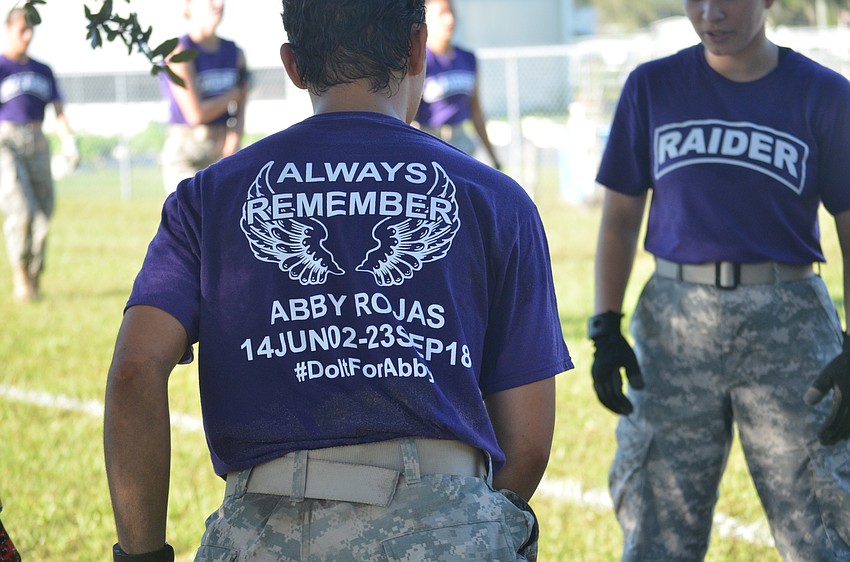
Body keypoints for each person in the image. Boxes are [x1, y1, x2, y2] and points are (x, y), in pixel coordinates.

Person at [104, 0, 572, 560]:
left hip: (262, 533)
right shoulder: (497, 200)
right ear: (418, 48)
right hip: (447, 527)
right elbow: (527, 443)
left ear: (293, 65)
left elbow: (134, 371)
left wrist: (141, 554)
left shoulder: (207, 197)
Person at [588, 0, 850, 560]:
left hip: (788, 319)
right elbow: (619, 222)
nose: (711, 14)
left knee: (822, 527)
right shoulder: (652, 87)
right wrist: (605, 325)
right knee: (657, 528)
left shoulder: (824, 93)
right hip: (676, 320)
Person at [0, 7, 77, 302]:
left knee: (44, 211)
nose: (28, 36)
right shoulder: (2, 67)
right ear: (8, 29)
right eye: (22, 30)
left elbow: (58, 110)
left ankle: (35, 274)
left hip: (38, 141)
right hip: (6, 141)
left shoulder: (42, 70)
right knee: (21, 210)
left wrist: (69, 141)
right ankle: (20, 273)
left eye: (31, 30)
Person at [159, 0, 248, 194]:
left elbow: (242, 104)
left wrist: (233, 141)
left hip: (223, 148)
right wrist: (233, 94)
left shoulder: (235, 52)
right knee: (190, 211)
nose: (218, 5)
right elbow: (195, 115)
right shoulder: (179, 53)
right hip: (187, 153)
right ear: (188, 6)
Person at [414, 0, 501, 169]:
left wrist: (494, 158)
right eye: (442, 14)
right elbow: (408, 116)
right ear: (426, 19)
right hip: (429, 140)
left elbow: (476, 110)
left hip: (461, 141)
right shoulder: (419, 59)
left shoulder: (467, 58)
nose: (449, 20)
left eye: (451, 13)